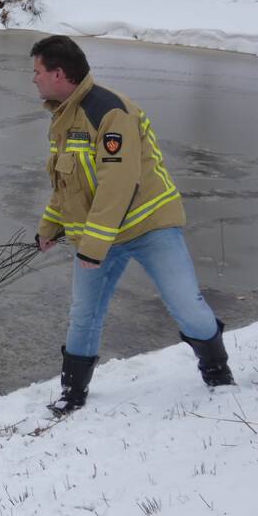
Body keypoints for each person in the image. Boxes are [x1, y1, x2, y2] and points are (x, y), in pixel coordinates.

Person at [31, 35, 234, 417]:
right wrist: (49, 227)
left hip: (149, 227)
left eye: (37, 71)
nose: (34, 79)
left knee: (186, 307)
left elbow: (118, 184)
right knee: (84, 312)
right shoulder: (63, 117)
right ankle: (72, 393)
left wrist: (92, 246)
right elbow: (66, 184)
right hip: (100, 234)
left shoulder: (110, 112)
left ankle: (217, 370)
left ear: (59, 74)